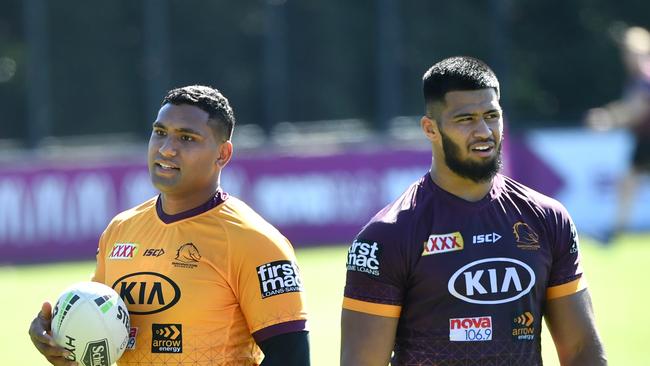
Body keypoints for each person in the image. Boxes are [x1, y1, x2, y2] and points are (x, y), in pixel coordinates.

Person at [340, 56, 607, 365]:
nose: (483, 131)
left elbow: (581, 349)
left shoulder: (547, 218)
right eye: (465, 119)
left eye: (492, 115)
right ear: (430, 129)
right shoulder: (388, 235)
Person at [29, 85, 310, 366]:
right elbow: (97, 329)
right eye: (160, 133)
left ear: (222, 154)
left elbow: (291, 358)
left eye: (186, 138)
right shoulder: (120, 230)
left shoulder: (256, 241)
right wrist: (57, 337)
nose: (166, 149)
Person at [586, 26, 650, 242]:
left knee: (628, 182)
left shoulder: (644, 76)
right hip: (644, 139)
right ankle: (616, 232)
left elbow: (637, 109)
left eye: (633, 52)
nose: (628, 57)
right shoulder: (639, 78)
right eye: (627, 52)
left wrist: (608, 119)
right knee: (628, 183)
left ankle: (615, 233)